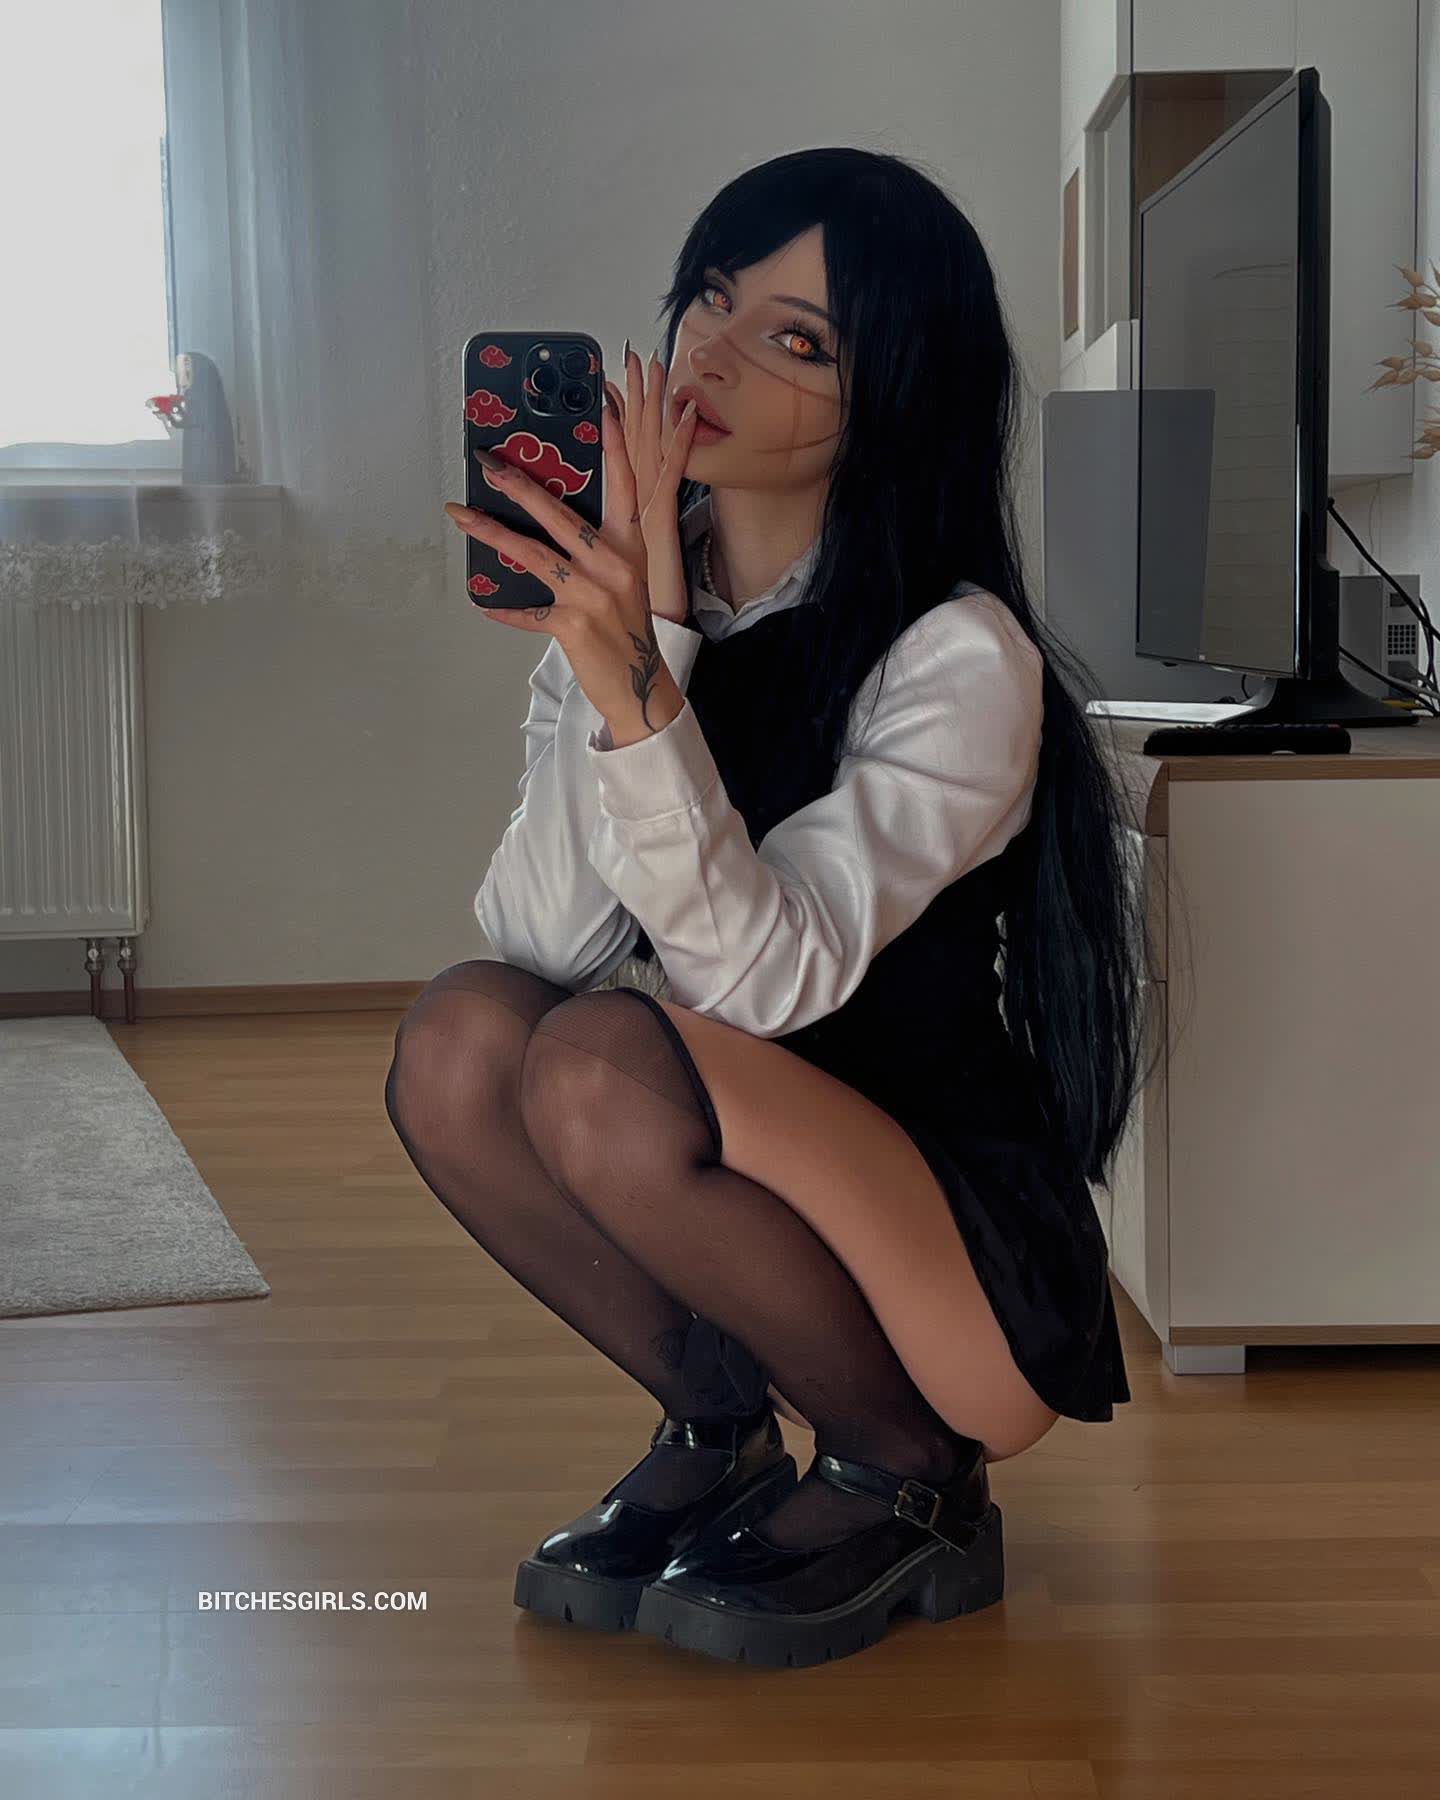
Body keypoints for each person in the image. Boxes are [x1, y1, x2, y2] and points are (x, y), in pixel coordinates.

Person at [386, 146, 1158, 1670]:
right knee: (466, 1035)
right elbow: (541, 944)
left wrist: (639, 687)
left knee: (595, 1063)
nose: (711, 355)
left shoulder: (956, 656)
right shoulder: (645, 605)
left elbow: (754, 988)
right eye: (710, 299)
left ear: (899, 398)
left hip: (943, 1257)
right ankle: (720, 1429)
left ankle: (908, 1475)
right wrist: (639, 643)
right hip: (737, 1168)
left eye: (797, 338)